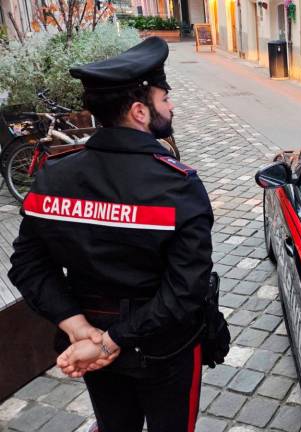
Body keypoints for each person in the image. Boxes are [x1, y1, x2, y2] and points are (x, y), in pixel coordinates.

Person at [8, 36, 214, 431]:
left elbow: (26, 265)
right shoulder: (178, 185)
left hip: (90, 339)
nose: (171, 106)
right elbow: (185, 290)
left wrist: (80, 329)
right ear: (140, 111)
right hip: (165, 349)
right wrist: (110, 340)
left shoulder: (54, 175)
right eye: (164, 98)